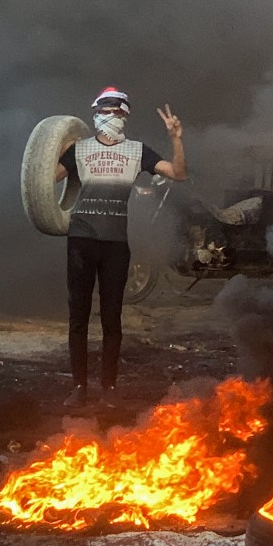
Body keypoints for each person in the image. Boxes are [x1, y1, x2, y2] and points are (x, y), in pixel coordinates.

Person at [54, 87, 187, 408]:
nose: (109, 115)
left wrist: (176, 137)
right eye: (104, 110)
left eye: (115, 110)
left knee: (112, 319)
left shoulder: (137, 151)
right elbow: (44, 179)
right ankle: (80, 387)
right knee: (78, 317)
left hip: (115, 244)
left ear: (124, 114)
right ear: (95, 113)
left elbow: (178, 174)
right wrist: (58, 145)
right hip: (81, 241)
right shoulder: (80, 150)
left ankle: (109, 389)